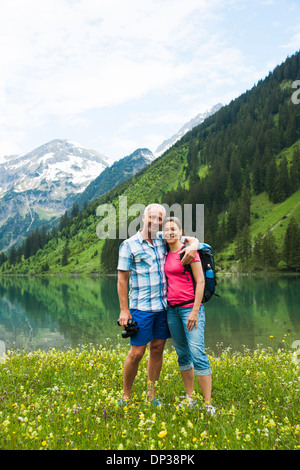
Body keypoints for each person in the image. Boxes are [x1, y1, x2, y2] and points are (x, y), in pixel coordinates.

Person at [117, 204, 199, 404]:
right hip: (141, 308)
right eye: (152, 217)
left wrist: (194, 244)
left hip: (163, 308)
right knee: (137, 352)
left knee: (157, 349)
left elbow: (191, 240)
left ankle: (151, 395)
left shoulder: (163, 240)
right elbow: (122, 280)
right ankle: (126, 395)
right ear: (144, 217)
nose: (156, 222)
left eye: (160, 219)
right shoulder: (129, 244)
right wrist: (124, 310)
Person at [163, 216, 215, 415]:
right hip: (172, 310)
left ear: (180, 231)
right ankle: (190, 397)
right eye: (166, 230)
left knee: (197, 353)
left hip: (190, 309)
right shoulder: (165, 251)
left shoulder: (189, 251)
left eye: (173, 229)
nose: (170, 233)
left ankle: (208, 404)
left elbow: (200, 282)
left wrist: (195, 310)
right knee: (183, 354)